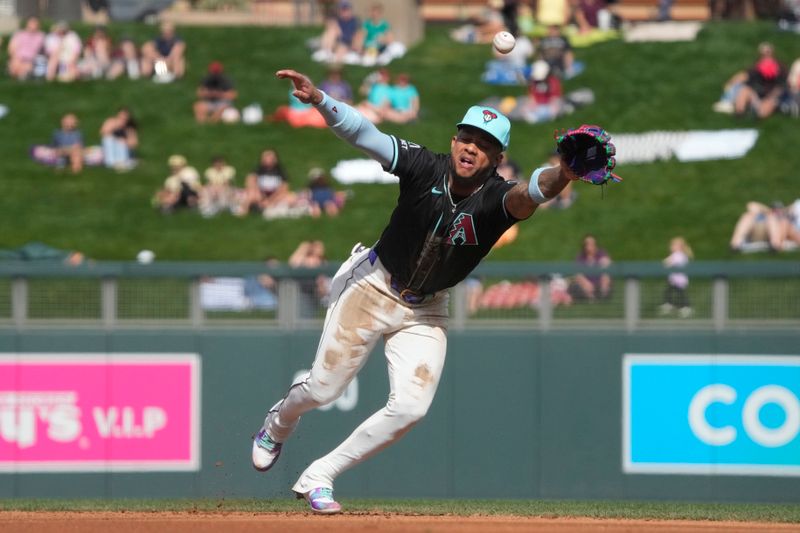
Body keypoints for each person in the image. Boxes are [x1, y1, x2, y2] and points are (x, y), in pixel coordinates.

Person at [251, 67, 592, 514]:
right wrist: (319, 99)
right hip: (374, 284)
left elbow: (530, 194)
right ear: (454, 140)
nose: (472, 147)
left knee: (412, 407)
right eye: (467, 136)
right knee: (322, 390)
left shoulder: (496, 199)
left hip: (426, 308)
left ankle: (320, 475)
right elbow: (365, 134)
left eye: (485, 143)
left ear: (498, 157)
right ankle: (277, 424)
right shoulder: (422, 165)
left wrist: (564, 174)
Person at [734, 43, 788, 119]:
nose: (765, 55)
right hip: (758, 93)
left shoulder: (781, 67)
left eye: (768, 52)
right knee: (744, 91)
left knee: (767, 105)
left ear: (772, 52)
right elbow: (747, 79)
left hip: (772, 96)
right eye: (763, 53)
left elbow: (782, 86)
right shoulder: (755, 67)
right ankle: (739, 113)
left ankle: (759, 117)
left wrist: (770, 97)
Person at [568, 234, 612, 301]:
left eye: (592, 243)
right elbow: (577, 273)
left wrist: (604, 263)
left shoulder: (601, 253)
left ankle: (603, 295)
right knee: (576, 281)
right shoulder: (580, 257)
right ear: (584, 245)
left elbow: (607, 264)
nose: (589, 245)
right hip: (586, 286)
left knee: (606, 275)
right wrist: (586, 283)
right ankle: (591, 297)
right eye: (587, 243)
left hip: (599, 283)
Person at [659, 236, 693, 318]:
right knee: (671, 292)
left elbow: (667, 262)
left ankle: (685, 307)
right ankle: (670, 304)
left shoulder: (678, 255)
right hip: (675, 280)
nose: (671, 247)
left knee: (679, 294)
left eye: (673, 245)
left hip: (678, 280)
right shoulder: (680, 255)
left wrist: (666, 262)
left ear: (679, 247)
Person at [7, 16, 45, 81]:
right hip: (17, 58)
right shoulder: (19, 34)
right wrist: (14, 58)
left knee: (25, 68)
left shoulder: (40, 36)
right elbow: (11, 48)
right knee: (15, 68)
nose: (33, 25)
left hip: (31, 60)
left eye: (35, 24)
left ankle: (23, 76)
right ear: (27, 24)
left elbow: (43, 50)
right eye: (31, 23)